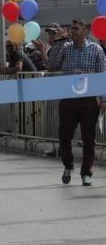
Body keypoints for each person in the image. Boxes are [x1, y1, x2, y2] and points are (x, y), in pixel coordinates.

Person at [47, 19, 106, 186]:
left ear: (85, 31)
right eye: (71, 29)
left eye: (76, 29)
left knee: (89, 138)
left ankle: (86, 173)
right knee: (64, 136)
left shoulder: (96, 50)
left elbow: (102, 75)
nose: (72, 31)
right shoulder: (65, 47)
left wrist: (103, 99)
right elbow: (51, 65)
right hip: (69, 99)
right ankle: (68, 165)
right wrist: (59, 42)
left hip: (88, 100)